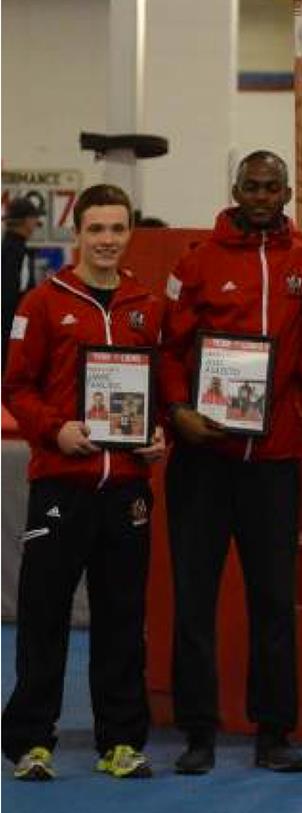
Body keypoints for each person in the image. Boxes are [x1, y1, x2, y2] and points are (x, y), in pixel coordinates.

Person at [156, 152, 302, 774]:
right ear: (235, 189)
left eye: (271, 186)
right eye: (250, 185)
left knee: (272, 601)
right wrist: (176, 409)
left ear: (286, 192)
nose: (260, 195)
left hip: (273, 460)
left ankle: (272, 732)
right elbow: (169, 348)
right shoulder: (196, 261)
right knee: (195, 598)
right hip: (202, 458)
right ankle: (198, 731)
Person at [3, 184, 166, 781]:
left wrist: (156, 437)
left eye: (117, 229)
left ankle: (121, 742)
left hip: (126, 488)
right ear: (78, 233)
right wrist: (55, 431)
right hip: (61, 484)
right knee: (43, 616)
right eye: (95, 229)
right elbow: (14, 387)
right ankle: (29, 742)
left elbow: (163, 390)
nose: (106, 241)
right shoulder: (41, 303)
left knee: (123, 619)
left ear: (130, 233)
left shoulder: (147, 304)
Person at [4, 197, 43, 366]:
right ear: (27, 221)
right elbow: (15, 299)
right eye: (35, 218)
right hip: (11, 333)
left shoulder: (5, 248)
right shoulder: (19, 254)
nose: (36, 223)